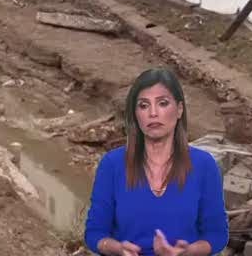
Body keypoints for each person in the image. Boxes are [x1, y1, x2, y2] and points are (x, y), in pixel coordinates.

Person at [85, 68, 228, 255]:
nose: (153, 113)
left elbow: (217, 235)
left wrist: (187, 252)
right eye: (143, 105)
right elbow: (94, 233)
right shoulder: (112, 164)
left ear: (179, 110)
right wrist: (117, 248)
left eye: (162, 103)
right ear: (135, 115)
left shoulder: (204, 165)